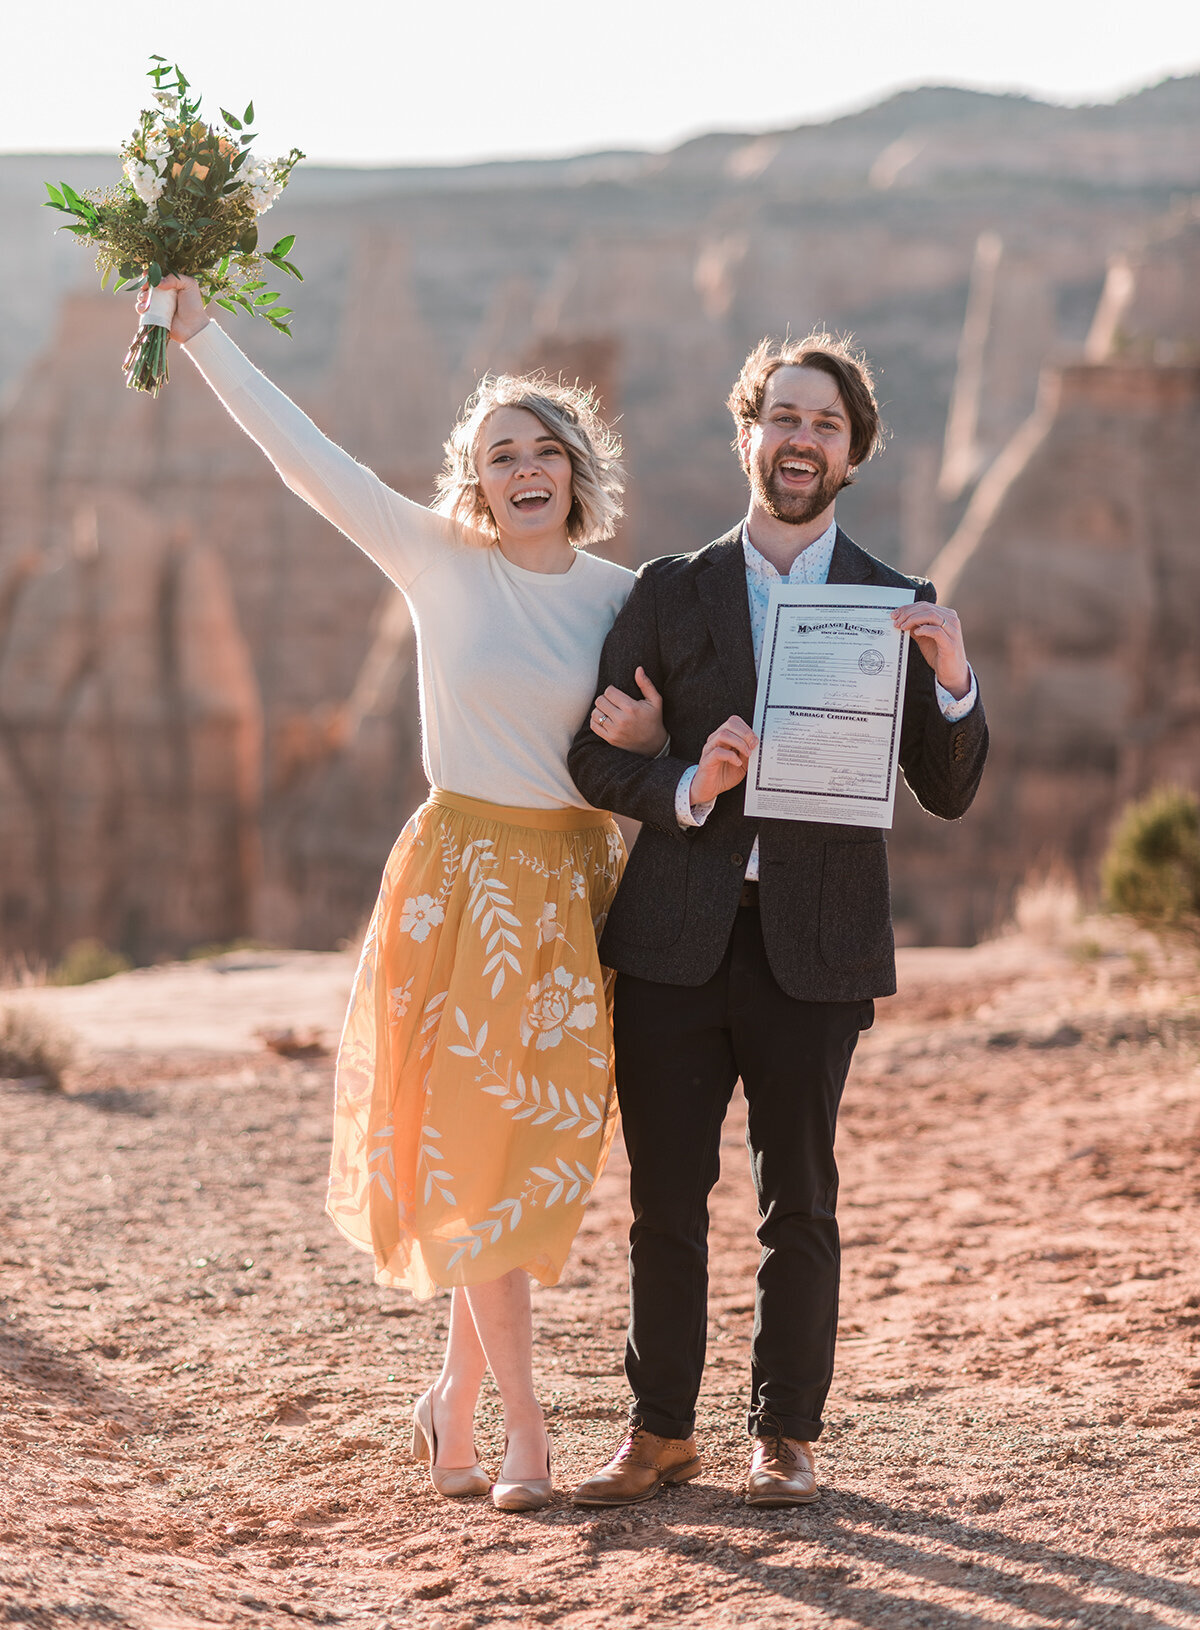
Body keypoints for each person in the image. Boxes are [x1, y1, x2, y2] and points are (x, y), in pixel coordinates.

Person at [135, 276, 663, 1512]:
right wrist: (200, 329)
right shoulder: (438, 561)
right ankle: (522, 1430)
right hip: (463, 886)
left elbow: (664, 739)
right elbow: (307, 461)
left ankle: (450, 1400)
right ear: (471, 479)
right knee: (477, 1159)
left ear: (578, 467)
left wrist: (649, 735)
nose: (523, 470)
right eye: (498, 455)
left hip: (576, 894)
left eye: (543, 450)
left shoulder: (624, 597)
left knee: (526, 1169)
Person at [571, 332, 989, 1508]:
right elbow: (594, 762)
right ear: (747, 432)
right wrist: (687, 780)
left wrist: (953, 680)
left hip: (819, 944)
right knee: (663, 1197)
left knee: (798, 1197)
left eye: (826, 425)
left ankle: (785, 1436)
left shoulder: (892, 605)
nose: (801, 441)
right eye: (784, 418)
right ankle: (658, 1432)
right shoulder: (668, 590)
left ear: (851, 454)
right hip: (673, 941)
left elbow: (948, 788)